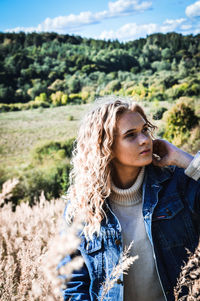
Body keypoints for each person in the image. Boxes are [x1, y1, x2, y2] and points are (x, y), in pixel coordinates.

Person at [62, 96, 200, 301]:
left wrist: (183, 159)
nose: (145, 139)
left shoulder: (177, 185)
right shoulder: (82, 208)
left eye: (145, 130)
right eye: (130, 135)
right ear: (105, 147)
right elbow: (73, 285)